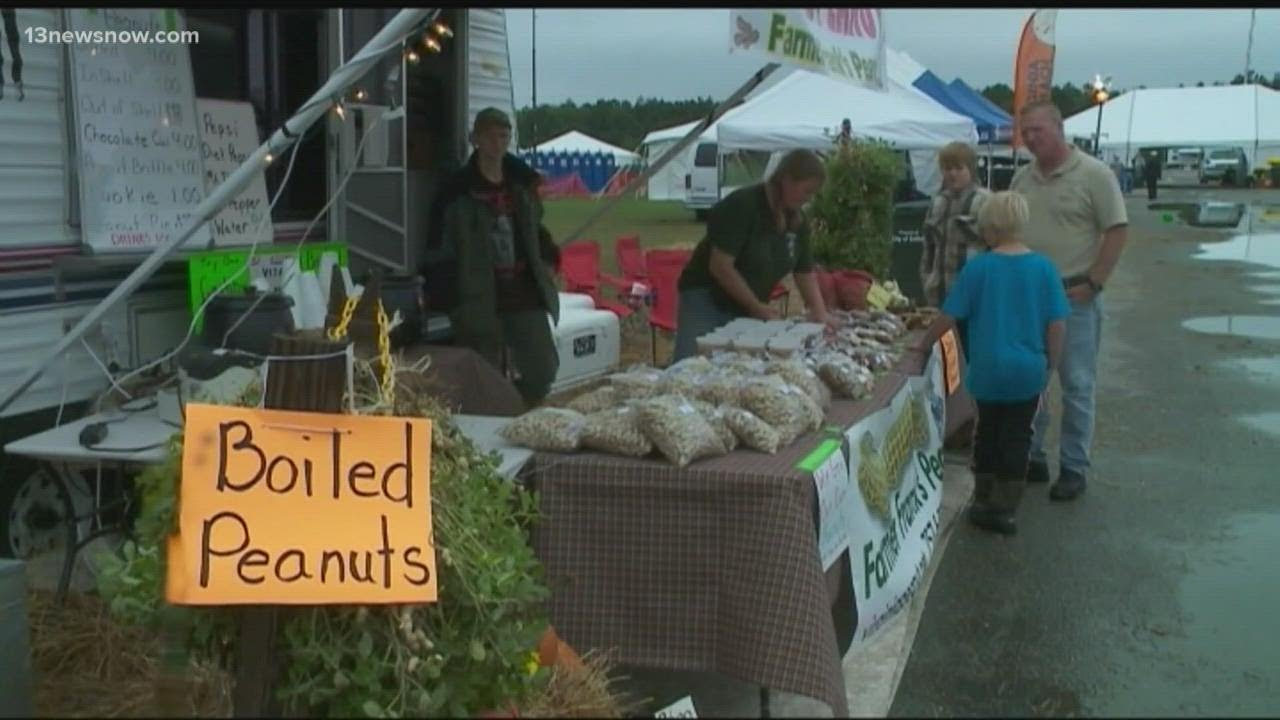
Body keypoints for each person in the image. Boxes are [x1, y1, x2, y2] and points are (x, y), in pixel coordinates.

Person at [915, 191, 1069, 534]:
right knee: (1018, 435)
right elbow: (1057, 324)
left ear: (989, 228)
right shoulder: (1044, 268)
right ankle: (1006, 507)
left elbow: (949, 317)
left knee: (987, 432)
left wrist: (923, 346)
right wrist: (1050, 364)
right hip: (1028, 369)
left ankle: (983, 498)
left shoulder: (978, 268)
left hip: (987, 370)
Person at [1010, 100, 1129, 501]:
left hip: (1074, 296)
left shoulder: (1094, 174)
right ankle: (1034, 455)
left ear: (1059, 129)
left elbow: (1116, 230)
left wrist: (1096, 281)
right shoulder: (1021, 180)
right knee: (1032, 380)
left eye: (1037, 130)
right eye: (1025, 132)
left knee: (1076, 384)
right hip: (1029, 298)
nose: (1029, 138)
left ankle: (1075, 467)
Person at [422, 107, 562, 407]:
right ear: (476, 140)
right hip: (478, 295)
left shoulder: (522, 186)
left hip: (523, 290)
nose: (498, 143)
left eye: (504, 135)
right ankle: (497, 425)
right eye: (490, 136)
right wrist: (448, 297)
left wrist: (548, 258)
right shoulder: (455, 193)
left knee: (543, 368)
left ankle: (523, 410)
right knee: (483, 377)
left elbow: (534, 230)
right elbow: (439, 248)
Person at [672, 149, 833, 362]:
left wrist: (820, 314)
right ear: (786, 180)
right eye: (807, 191)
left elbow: (804, 272)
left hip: (747, 307)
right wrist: (756, 307)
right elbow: (721, 265)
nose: (808, 199)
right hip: (707, 300)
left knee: (737, 368)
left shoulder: (797, 220)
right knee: (693, 364)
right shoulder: (743, 205)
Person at [920, 142, 992, 309]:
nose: (952, 174)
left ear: (971, 169)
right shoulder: (936, 202)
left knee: (970, 336)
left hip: (975, 296)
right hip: (939, 297)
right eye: (947, 168)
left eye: (959, 168)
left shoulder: (986, 202)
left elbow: (995, 248)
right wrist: (927, 280)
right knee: (945, 336)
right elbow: (928, 248)